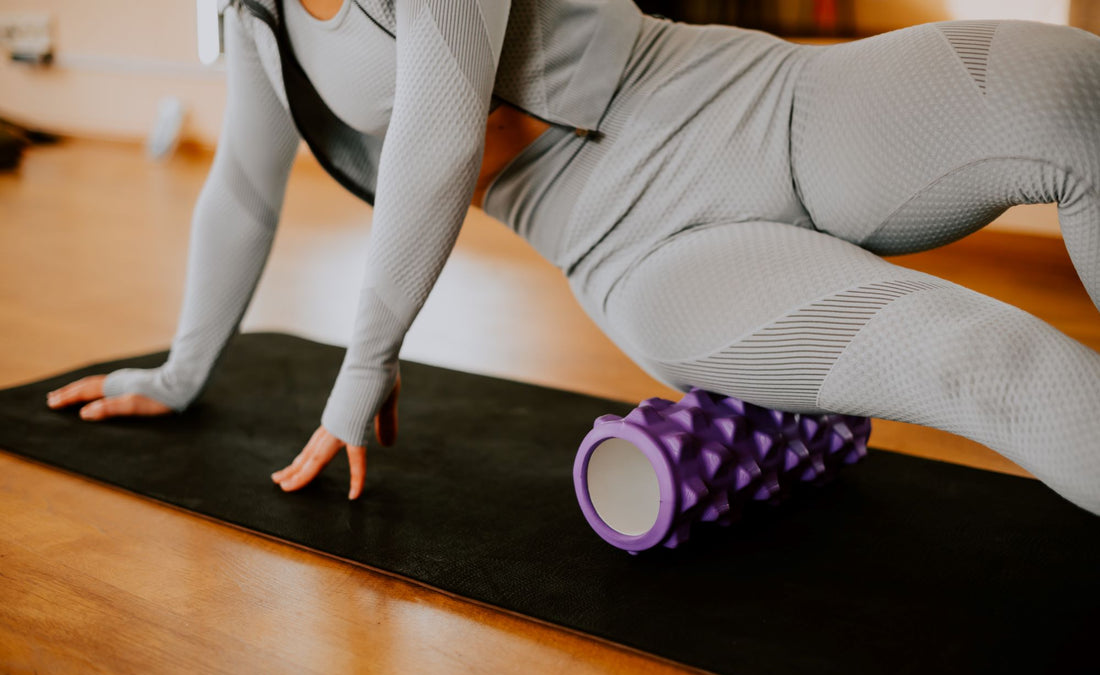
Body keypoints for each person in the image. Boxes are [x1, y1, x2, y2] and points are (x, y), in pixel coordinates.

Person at [46, 0, 1100, 513]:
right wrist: (182, 372)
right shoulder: (259, 20)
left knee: (1073, 90)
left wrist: (364, 363)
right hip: (649, 254)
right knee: (985, 362)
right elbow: (240, 184)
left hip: (765, 103)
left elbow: (439, 123)